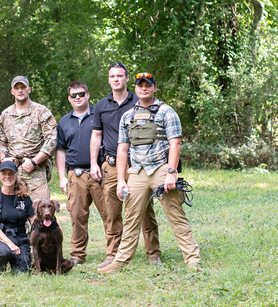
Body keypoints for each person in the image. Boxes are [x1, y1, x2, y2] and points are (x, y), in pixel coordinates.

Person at [98, 72, 201, 273]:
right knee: (130, 217)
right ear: (135, 89)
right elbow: (122, 149)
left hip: (161, 169)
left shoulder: (167, 112)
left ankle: (193, 260)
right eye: (140, 86)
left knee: (176, 215)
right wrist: (121, 179)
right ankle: (120, 262)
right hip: (136, 171)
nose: (144, 88)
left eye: (148, 85)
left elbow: (175, 143)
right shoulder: (128, 116)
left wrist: (171, 172)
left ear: (154, 88)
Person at [90, 63, 160, 269]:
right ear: (109, 79)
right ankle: (113, 254)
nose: (116, 79)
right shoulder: (101, 105)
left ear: (127, 78)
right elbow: (96, 135)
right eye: (112, 76)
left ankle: (153, 253)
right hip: (111, 165)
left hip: (138, 165)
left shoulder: (139, 101)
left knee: (146, 210)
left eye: (120, 76)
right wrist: (94, 162)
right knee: (112, 212)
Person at [56, 81, 109, 266]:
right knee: (77, 216)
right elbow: (61, 151)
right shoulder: (64, 121)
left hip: (100, 173)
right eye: (73, 95)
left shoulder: (100, 115)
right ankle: (77, 255)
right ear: (69, 99)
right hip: (75, 175)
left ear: (88, 95)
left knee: (109, 213)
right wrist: (62, 177)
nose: (77, 98)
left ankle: (115, 252)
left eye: (81, 94)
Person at [0, 76, 57, 200]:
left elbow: (52, 139)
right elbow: (0, 141)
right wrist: (4, 160)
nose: (20, 90)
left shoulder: (41, 111)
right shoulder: (5, 114)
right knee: (14, 215)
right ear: (12, 92)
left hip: (36, 172)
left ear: (29, 89)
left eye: (23, 87)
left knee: (40, 213)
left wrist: (34, 161)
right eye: (16, 88)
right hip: (13, 173)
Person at [0, 161, 35, 274]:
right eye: (4, 173)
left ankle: (15, 262)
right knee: (4, 252)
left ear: (16, 175)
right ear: (0, 175)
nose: (7, 177)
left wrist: (51, 226)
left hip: (20, 238)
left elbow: (35, 222)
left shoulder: (23, 197)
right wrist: (10, 244)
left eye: (10, 173)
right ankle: (0, 269)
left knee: (24, 271)